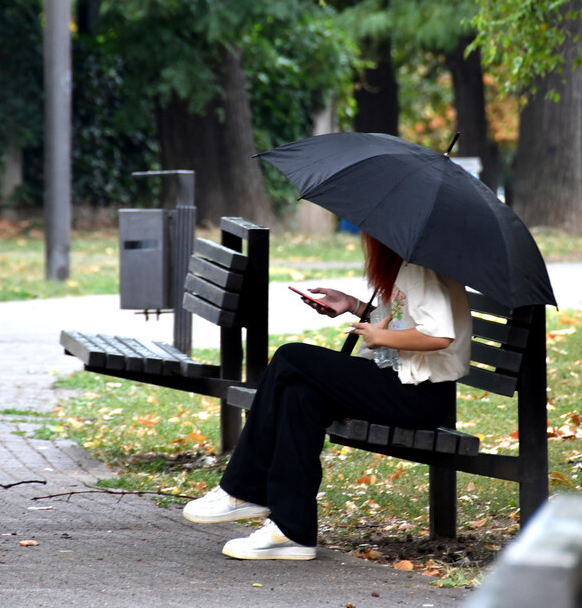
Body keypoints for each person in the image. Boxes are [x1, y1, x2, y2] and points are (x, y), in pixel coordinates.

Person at [182, 232, 472, 560]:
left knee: (291, 357)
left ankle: (243, 489)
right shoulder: (410, 264)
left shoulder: (420, 267)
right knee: (299, 395)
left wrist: (382, 336)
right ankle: (291, 532)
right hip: (403, 385)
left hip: (419, 396)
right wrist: (354, 305)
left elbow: (439, 336)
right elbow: (407, 318)